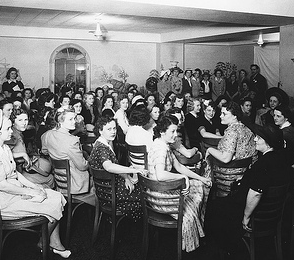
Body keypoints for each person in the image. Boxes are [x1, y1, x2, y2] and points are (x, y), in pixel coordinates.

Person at [0, 110, 71, 258]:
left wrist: (34, 186)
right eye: (8, 129)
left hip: (12, 195)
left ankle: (51, 242)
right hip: (4, 203)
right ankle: (46, 242)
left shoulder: (4, 148)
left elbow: (16, 174)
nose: (11, 132)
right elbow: (2, 185)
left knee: (57, 196)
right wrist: (31, 192)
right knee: (53, 203)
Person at [206, 124, 291, 253]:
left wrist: (246, 217)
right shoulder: (281, 159)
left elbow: (256, 193)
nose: (255, 140)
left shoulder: (263, 163)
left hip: (254, 213)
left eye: (258, 138)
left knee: (212, 207)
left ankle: (225, 254)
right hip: (273, 214)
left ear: (268, 143)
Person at [147, 115, 212, 252]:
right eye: (172, 131)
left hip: (156, 192)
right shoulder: (161, 149)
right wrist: (183, 178)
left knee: (200, 185)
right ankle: (190, 237)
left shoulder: (162, 143)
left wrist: (200, 178)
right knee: (194, 196)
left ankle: (196, 230)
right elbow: (161, 174)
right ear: (162, 132)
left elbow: (180, 167)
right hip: (161, 198)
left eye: (176, 131)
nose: (175, 135)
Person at [88, 116, 146, 221]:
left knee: (138, 189)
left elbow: (115, 166)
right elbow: (109, 167)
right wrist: (134, 170)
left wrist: (126, 178)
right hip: (110, 194)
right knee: (144, 194)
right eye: (109, 129)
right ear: (100, 130)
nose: (113, 132)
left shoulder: (101, 143)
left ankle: (131, 223)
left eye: (114, 128)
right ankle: (140, 228)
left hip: (107, 190)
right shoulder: (102, 148)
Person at [205, 101, 256, 188]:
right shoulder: (246, 129)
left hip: (228, 176)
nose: (221, 116)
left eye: (224, 114)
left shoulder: (231, 131)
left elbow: (225, 158)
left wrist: (209, 150)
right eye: (221, 113)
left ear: (234, 116)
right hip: (245, 174)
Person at [42, 108, 90, 194]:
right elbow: (83, 166)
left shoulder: (47, 135)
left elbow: (45, 151)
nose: (74, 122)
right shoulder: (72, 141)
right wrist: (89, 158)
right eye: (70, 119)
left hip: (59, 183)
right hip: (75, 185)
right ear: (60, 121)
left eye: (74, 118)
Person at [7, 108, 54, 188]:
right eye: (20, 120)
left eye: (25, 120)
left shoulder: (19, 133)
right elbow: (5, 153)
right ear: (13, 121)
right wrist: (23, 154)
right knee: (50, 179)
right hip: (17, 173)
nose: (24, 123)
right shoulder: (12, 135)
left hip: (22, 169)